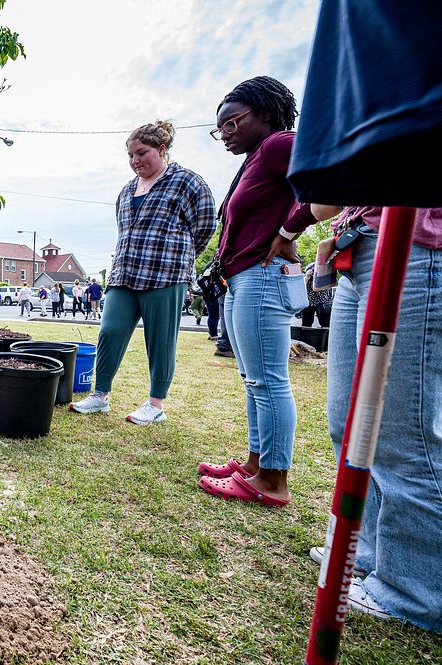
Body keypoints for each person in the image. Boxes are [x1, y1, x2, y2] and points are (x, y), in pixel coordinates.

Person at [305, 203, 442, 629]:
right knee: (347, 422)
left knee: (400, 436)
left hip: (418, 243)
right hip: (358, 247)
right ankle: (366, 554)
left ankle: (417, 592)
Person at [197, 76, 317, 507]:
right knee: (253, 380)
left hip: (264, 276)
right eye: (220, 129)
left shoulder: (280, 144)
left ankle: (273, 479)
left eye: (232, 122)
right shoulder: (255, 158)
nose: (225, 134)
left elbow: (329, 181)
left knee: (268, 380)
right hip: (241, 277)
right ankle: (254, 464)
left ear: (265, 113)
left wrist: (289, 230)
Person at [69, 121, 215, 425]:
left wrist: (181, 256)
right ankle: (100, 396)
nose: (136, 160)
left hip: (166, 274)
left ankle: (155, 404)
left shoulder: (188, 182)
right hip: (124, 273)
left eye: (142, 152)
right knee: (110, 331)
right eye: (131, 155)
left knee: (160, 340)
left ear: (161, 150)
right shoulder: (126, 190)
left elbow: (205, 226)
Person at [300, 263, 333, 327]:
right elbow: (302, 286)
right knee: (306, 323)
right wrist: (307, 276)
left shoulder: (326, 274)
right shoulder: (308, 274)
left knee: (325, 323)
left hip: (323, 302)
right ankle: (305, 336)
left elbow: (328, 288)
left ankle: (325, 336)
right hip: (309, 301)